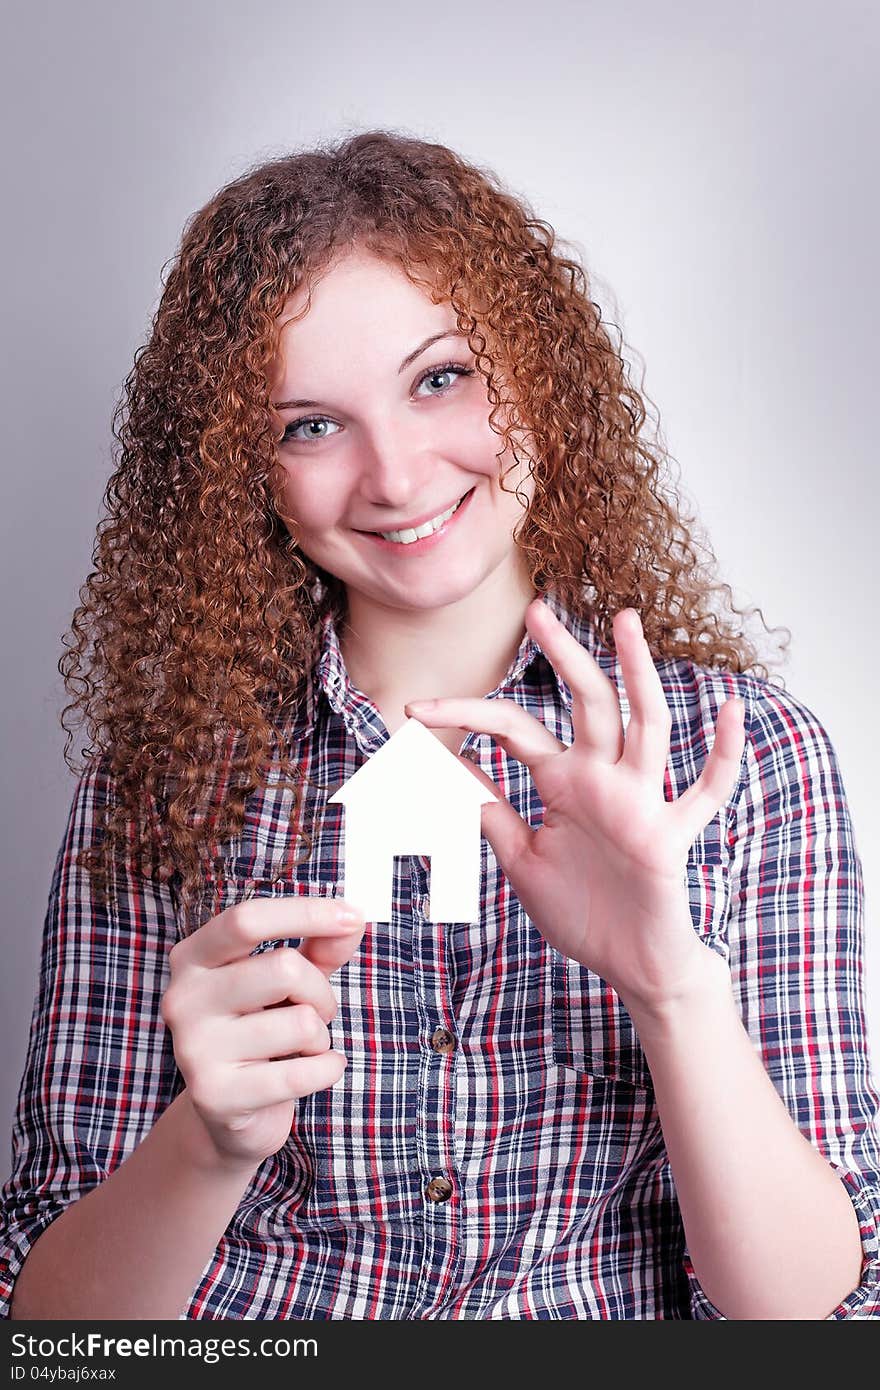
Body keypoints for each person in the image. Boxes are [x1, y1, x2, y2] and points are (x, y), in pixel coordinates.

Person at [2, 129, 879, 1322]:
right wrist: (208, 1146)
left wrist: (672, 990)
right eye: (309, 425)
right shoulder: (166, 778)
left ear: (539, 370)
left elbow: (813, 1315)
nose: (399, 477)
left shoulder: (744, 754)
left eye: (438, 378)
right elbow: (47, 1325)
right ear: (240, 473)